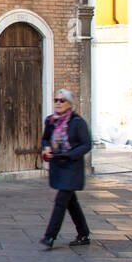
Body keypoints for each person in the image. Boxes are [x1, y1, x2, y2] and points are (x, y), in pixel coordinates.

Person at [39, 88, 92, 249]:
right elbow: (45, 139)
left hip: (72, 167)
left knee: (61, 201)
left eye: (62, 100)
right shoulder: (50, 121)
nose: (58, 103)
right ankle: (83, 233)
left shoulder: (78, 122)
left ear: (70, 103)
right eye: (56, 100)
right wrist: (46, 147)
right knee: (71, 202)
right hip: (58, 166)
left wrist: (70, 154)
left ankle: (50, 236)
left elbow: (86, 144)